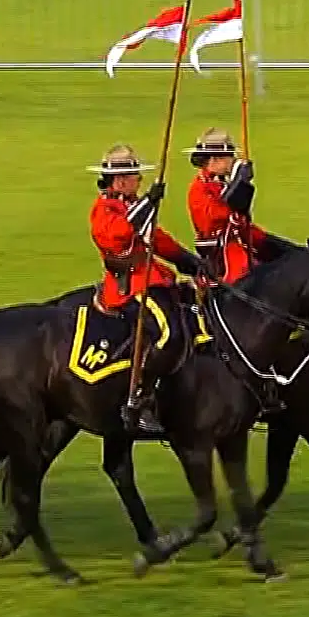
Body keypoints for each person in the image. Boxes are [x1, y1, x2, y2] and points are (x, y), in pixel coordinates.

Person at [88, 144, 202, 436]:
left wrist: (186, 259)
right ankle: (140, 397)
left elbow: (156, 238)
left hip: (155, 278)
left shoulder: (131, 205)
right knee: (170, 333)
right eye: (135, 175)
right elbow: (121, 234)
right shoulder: (103, 210)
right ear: (120, 180)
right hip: (129, 286)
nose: (139, 179)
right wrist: (148, 202)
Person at [185, 127, 266, 285]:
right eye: (229, 157)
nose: (233, 161)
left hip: (241, 244)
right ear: (214, 159)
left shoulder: (221, 182)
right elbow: (220, 217)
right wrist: (239, 183)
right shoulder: (199, 188)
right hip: (222, 254)